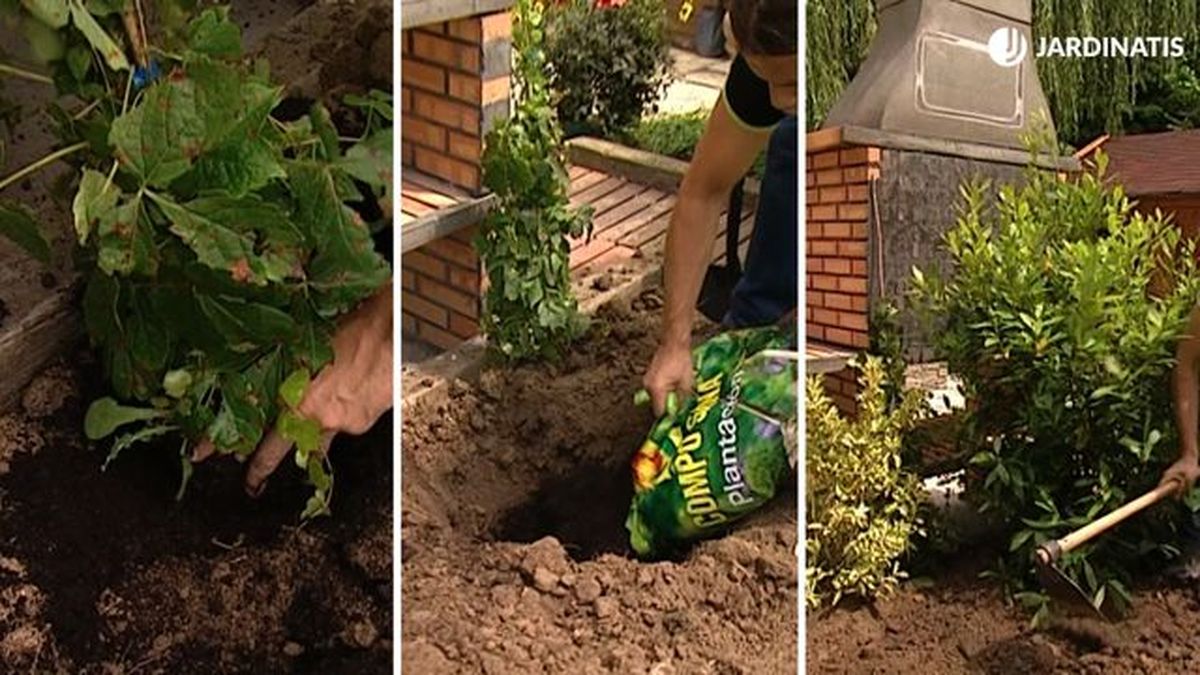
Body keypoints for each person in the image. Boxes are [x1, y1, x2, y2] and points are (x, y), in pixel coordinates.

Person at [642, 0, 797, 415]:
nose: (777, 99)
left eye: (791, 83)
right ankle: (752, 332)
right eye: (764, 77)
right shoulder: (765, 59)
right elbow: (703, 192)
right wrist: (674, 343)